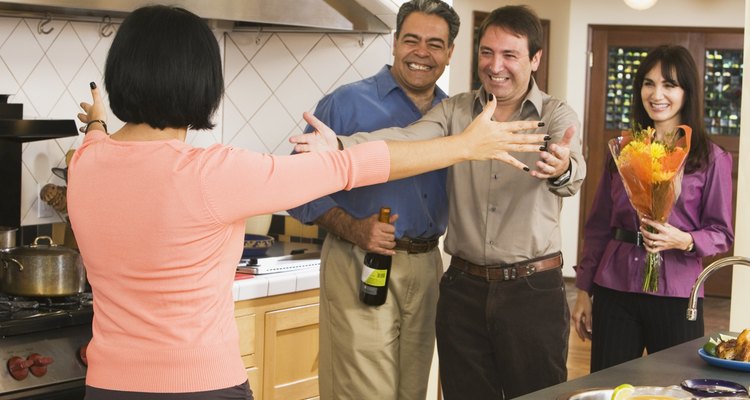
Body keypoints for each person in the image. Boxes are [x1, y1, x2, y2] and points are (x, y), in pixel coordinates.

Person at [65, 5, 548, 400]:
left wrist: (96, 122)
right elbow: (348, 167)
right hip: (200, 385)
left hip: (108, 386)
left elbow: (97, 140)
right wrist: (465, 145)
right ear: (199, 85)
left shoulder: (86, 164)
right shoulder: (212, 172)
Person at [290, 5, 585, 399]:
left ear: (534, 59)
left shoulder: (555, 114)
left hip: (529, 289)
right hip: (461, 287)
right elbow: (406, 139)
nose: (495, 65)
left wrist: (562, 168)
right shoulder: (454, 110)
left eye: (510, 55)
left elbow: (573, 170)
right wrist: (340, 144)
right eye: (487, 52)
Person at [286, 1, 458, 398]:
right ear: (395, 43)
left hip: (428, 266)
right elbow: (296, 188)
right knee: (362, 393)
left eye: (435, 44)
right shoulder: (345, 104)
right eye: (411, 40)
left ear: (449, 53)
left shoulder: (453, 115)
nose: (422, 52)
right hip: (357, 262)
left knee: (412, 392)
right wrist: (353, 227)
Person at [572, 45, 734, 372]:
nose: (656, 93)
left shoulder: (712, 159)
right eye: (648, 83)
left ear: (687, 92)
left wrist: (683, 239)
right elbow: (598, 227)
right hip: (614, 288)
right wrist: (583, 291)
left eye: (669, 85)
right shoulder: (624, 152)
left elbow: (722, 233)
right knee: (607, 387)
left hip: (677, 295)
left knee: (675, 388)